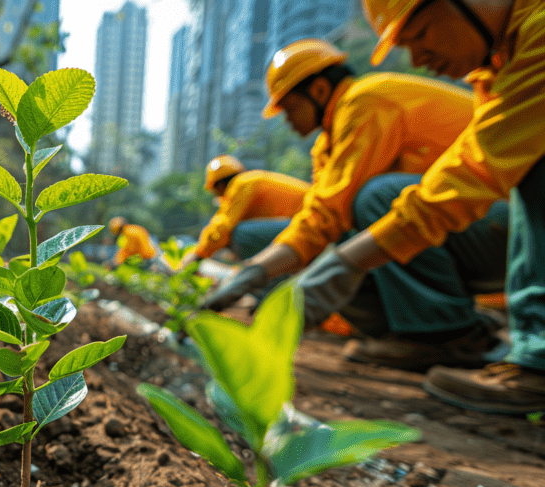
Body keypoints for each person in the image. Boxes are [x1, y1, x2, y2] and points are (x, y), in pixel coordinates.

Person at [289, 0, 545, 413]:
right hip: (499, 232)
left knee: (379, 198)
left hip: (500, 224)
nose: (418, 58)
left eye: (422, 34)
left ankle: (533, 360)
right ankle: (430, 335)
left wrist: (345, 263)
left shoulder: (538, 36)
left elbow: (474, 175)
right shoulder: (499, 65)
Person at [202, 38, 510, 372]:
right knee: (347, 232)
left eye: (290, 108)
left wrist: (255, 274)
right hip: (461, 232)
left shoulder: (366, 102)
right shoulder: (328, 144)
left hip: (510, 221)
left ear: (319, 90)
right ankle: (409, 334)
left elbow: (329, 215)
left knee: (377, 198)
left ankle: (444, 334)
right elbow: (321, 220)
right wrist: (253, 274)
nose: (288, 121)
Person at [179, 155, 310, 270]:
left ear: (219, 186)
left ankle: (265, 284)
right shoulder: (249, 183)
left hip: (310, 223)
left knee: (240, 234)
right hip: (304, 221)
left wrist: (198, 255)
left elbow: (223, 226)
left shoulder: (242, 184)